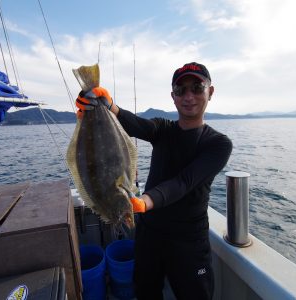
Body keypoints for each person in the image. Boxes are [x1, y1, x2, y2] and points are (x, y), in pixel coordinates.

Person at [76, 62, 232, 299]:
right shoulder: (162, 128)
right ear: (173, 96)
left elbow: (184, 182)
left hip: (189, 241)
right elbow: (135, 124)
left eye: (197, 88)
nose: (189, 96)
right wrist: (103, 105)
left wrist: (145, 201)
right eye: (181, 90)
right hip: (149, 236)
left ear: (210, 92)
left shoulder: (218, 144)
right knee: (146, 293)